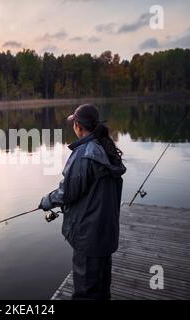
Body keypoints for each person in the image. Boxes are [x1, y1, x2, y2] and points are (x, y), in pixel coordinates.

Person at [39, 104, 126, 300]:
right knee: (102, 290)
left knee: (86, 294)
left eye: (74, 123)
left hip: (89, 236)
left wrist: (47, 201)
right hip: (106, 232)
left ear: (78, 126)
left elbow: (68, 192)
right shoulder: (107, 147)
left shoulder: (84, 154)